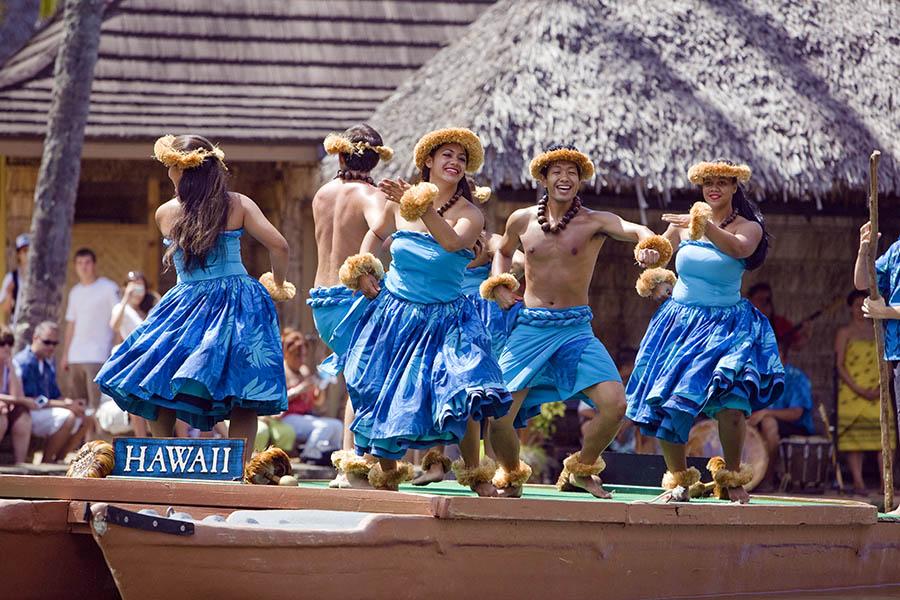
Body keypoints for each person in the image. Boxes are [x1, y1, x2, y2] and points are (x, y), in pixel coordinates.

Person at [95, 134, 293, 465]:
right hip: (237, 302)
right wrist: (279, 282)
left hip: (186, 303)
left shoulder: (165, 213)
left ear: (180, 170)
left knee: (158, 378)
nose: (167, 172)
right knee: (243, 392)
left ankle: (165, 460)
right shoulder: (238, 204)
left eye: (169, 166)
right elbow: (280, 246)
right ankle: (241, 470)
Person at [484, 144, 665, 498]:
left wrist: (647, 243)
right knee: (499, 413)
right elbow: (503, 251)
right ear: (544, 178)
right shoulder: (521, 219)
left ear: (580, 180)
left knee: (615, 405)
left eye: (572, 173)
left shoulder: (594, 221)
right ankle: (510, 473)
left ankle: (581, 467)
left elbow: (636, 229)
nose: (564, 178)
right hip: (531, 328)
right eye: (557, 172)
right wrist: (499, 284)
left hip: (574, 330)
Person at [338, 127, 512, 494]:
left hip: (447, 319)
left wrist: (421, 206)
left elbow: (450, 242)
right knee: (378, 389)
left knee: (463, 391)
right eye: (447, 155)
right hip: (395, 315)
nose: (455, 162)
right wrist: (365, 267)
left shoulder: (470, 214)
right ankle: (387, 475)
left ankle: (476, 474)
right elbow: (376, 234)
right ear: (428, 161)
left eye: (461, 158)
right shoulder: (398, 205)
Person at [626, 159, 784, 504]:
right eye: (708, 183)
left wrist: (702, 224)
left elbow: (739, 248)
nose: (714, 188)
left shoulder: (749, 227)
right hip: (680, 324)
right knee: (669, 403)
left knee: (732, 404)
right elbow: (661, 254)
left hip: (728, 326)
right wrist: (649, 255)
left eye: (722, 183)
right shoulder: (685, 224)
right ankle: (679, 481)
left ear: (734, 187)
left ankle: (731, 478)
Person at [309, 124, 391, 487]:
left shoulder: (322, 194)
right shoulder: (371, 195)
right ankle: (356, 463)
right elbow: (381, 232)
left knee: (356, 380)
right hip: (355, 298)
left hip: (321, 303)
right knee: (367, 382)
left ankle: (354, 462)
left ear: (340, 155)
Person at [856, 221, 900, 512]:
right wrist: (864, 252)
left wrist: (884, 311)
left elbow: (881, 306)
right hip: (896, 353)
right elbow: (863, 282)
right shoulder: (897, 250)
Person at [833, 289, 892, 494]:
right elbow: (839, 365)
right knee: (854, 439)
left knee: (885, 437)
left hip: (878, 390)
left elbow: (888, 360)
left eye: (863, 305)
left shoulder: (880, 331)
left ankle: (886, 483)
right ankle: (858, 482)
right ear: (850, 308)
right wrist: (857, 388)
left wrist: (881, 385)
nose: (860, 310)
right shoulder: (845, 333)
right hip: (852, 391)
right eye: (857, 306)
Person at [62, 247, 119, 442]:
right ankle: (79, 447)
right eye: (79, 263)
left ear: (94, 265)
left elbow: (118, 320)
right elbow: (71, 325)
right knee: (78, 406)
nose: (83, 267)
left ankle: (97, 446)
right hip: (75, 356)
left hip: (98, 355)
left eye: (87, 262)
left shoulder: (108, 288)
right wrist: (65, 354)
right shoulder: (75, 292)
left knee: (96, 407)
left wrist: (115, 351)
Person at [96, 271, 160, 438]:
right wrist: (125, 298)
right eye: (134, 288)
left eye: (141, 288)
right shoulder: (121, 308)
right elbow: (114, 325)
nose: (137, 292)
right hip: (131, 361)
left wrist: (154, 298)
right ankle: (141, 440)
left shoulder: (148, 310)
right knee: (135, 400)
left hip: (149, 361)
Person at [748, 342, 816, 490]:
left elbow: (796, 413)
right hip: (763, 421)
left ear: (784, 357)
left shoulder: (796, 377)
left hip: (796, 426)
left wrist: (765, 413)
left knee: (768, 423)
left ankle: (767, 478)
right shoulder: (756, 377)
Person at [14, 321, 84, 463]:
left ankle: (58, 460)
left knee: (86, 417)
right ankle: (46, 462)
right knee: (68, 417)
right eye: (47, 342)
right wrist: (65, 405)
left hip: (44, 411)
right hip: (26, 413)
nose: (51, 347)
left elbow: (54, 394)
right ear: (35, 338)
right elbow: (35, 400)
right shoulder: (24, 362)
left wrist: (71, 403)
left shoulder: (48, 363)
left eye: (55, 343)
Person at [274, 328, 342, 464]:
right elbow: (277, 401)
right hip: (286, 417)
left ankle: (333, 456)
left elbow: (318, 403)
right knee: (323, 426)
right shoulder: (281, 371)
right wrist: (299, 390)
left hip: (304, 417)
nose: (301, 359)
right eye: (297, 355)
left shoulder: (303, 370)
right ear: (286, 353)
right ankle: (309, 455)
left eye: (304, 355)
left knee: (337, 425)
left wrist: (320, 388)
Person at [0, 325, 33, 463]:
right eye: (2, 343)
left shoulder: (13, 365)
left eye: (10, 343)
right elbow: (17, 399)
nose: (7, 347)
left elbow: (16, 395)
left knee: (23, 416)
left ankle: (20, 464)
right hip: (2, 409)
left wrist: (10, 367)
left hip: (8, 407)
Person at [747, 282, 809, 349]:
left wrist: (806, 333)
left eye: (767, 300)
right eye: (760, 299)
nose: (764, 303)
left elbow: (796, 344)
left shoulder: (780, 323)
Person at [0, 233, 29, 323]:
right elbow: (4, 308)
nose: (28, 254)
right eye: (24, 250)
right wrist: (9, 293)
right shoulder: (11, 278)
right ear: (18, 254)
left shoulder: (41, 278)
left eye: (30, 250)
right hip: (17, 325)